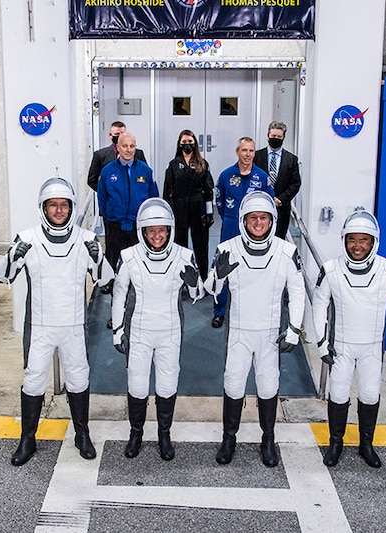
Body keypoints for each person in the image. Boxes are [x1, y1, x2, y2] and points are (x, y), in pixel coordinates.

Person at [0, 177, 113, 466]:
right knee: (33, 381)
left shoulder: (85, 240)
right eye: (53, 206)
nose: (59, 211)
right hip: (40, 327)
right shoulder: (28, 238)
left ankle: (81, 435)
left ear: (71, 208)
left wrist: (98, 257)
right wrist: (13, 255)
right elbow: (2, 275)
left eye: (64, 205)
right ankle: (27, 439)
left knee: (78, 379)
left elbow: (106, 280)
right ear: (43, 208)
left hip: (74, 327)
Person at [312, 207, 386, 469]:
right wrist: (321, 343)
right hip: (341, 346)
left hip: (372, 349)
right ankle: (336, 444)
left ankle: (366, 445)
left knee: (369, 394)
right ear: (344, 240)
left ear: (373, 241)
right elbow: (319, 304)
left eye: (363, 240)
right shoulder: (331, 269)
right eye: (352, 239)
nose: (357, 246)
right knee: (339, 394)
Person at [204, 191, 305, 467]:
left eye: (263, 217)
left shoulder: (286, 251)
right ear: (243, 220)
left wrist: (294, 329)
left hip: (270, 333)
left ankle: (268, 439)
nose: (258, 223)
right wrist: (217, 276)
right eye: (253, 218)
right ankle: (229, 437)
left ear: (272, 220)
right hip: (239, 331)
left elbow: (298, 291)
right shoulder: (227, 249)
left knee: (268, 385)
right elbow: (210, 290)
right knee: (233, 383)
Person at [111, 198, 204, 461]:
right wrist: (118, 330)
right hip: (139, 331)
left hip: (170, 331)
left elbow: (198, 294)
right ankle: (136, 433)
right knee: (137, 385)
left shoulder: (184, 255)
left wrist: (195, 282)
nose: (157, 236)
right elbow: (118, 296)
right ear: (142, 231)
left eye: (161, 230)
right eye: (151, 231)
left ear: (170, 229)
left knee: (167, 383)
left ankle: (164, 434)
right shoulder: (128, 256)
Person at [211, 137, 274, 328]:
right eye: (244, 150)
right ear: (237, 151)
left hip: (254, 229)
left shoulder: (262, 177)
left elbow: (270, 203)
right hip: (230, 225)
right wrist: (230, 217)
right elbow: (219, 201)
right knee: (222, 267)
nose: (248, 155)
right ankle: (219, 311)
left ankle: (250, 311)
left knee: (252, 269)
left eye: (251, 151)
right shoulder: (225, 175)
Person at [97, 132, 159, 280]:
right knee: (115, 262)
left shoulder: (145, 170)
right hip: (115, 225)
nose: (128, 150)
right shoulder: (107, 171)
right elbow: (102, 198)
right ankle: (113, 289)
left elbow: (153, 197)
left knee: (138, 263)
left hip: (137, 226)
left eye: (132, 146)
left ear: (135, 148)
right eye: (124, 146)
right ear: (118, 147)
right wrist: (110, 216)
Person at [163, 129, 215, 280]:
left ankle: (204, 277)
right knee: (180, 243)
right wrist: (168, 213)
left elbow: (208, 190)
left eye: (190, 142)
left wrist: (209, 212)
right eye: (184, 142)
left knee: (200, 243)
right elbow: (167, 191)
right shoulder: (173, 165)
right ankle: (181, 277)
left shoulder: (202, 164)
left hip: (198, 206)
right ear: (179, 144)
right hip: (179, 207)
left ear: (195, 144)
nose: (187, 145)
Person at [253, 121, 301, 239]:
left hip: (281, 209)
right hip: (259, 207)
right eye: (273, 136)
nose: (276, 139)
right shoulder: (256, 157)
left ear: (283, 137)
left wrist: (280, 200)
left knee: (278, 240)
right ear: (268, 136)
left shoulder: (291, 159)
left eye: (279, 137)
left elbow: (295, 184)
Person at [87, 121, 147, 192]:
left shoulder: (138, 154)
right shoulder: (100, 155)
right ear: (110, 135)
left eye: (122, 134)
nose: (120, 137)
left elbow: (146, 175)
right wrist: (106, 192)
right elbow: (92, 180)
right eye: (117, 134)